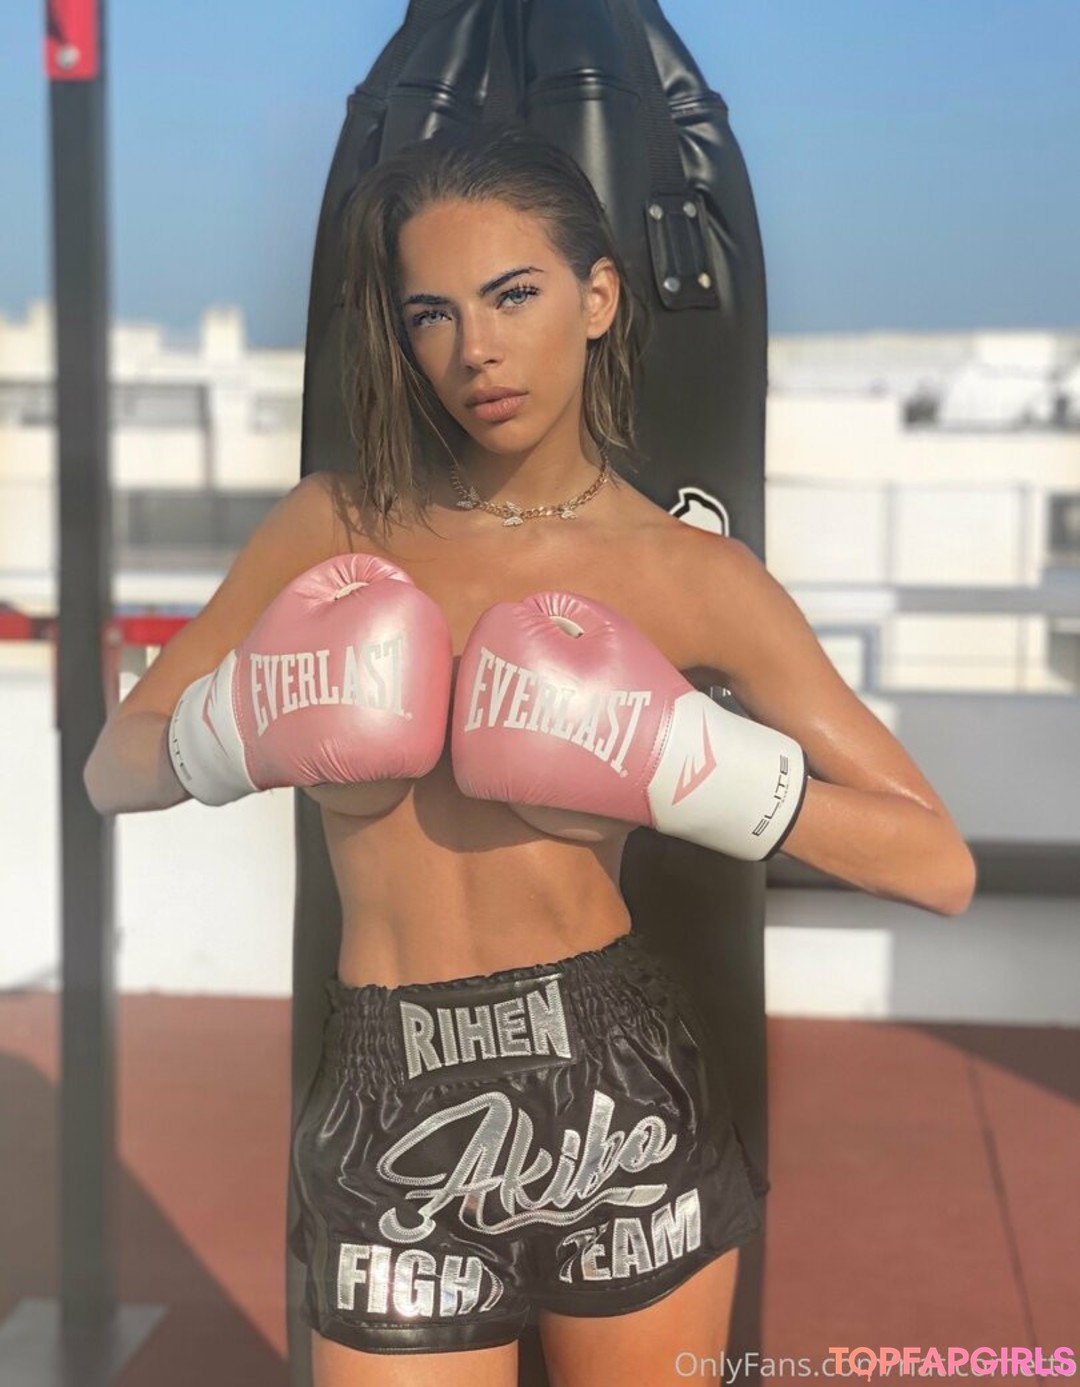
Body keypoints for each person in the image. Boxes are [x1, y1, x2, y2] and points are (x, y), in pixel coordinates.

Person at [84, 122, 976, 1387]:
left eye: (513, 295)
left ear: (598, 296)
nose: (476, 350)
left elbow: (936, 862)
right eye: (432, 313)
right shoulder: (331, 528)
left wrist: (683, 759)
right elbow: (112, 767)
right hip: (388, 1089)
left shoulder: (687, 573)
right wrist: (231, 726)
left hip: (615, 1086)